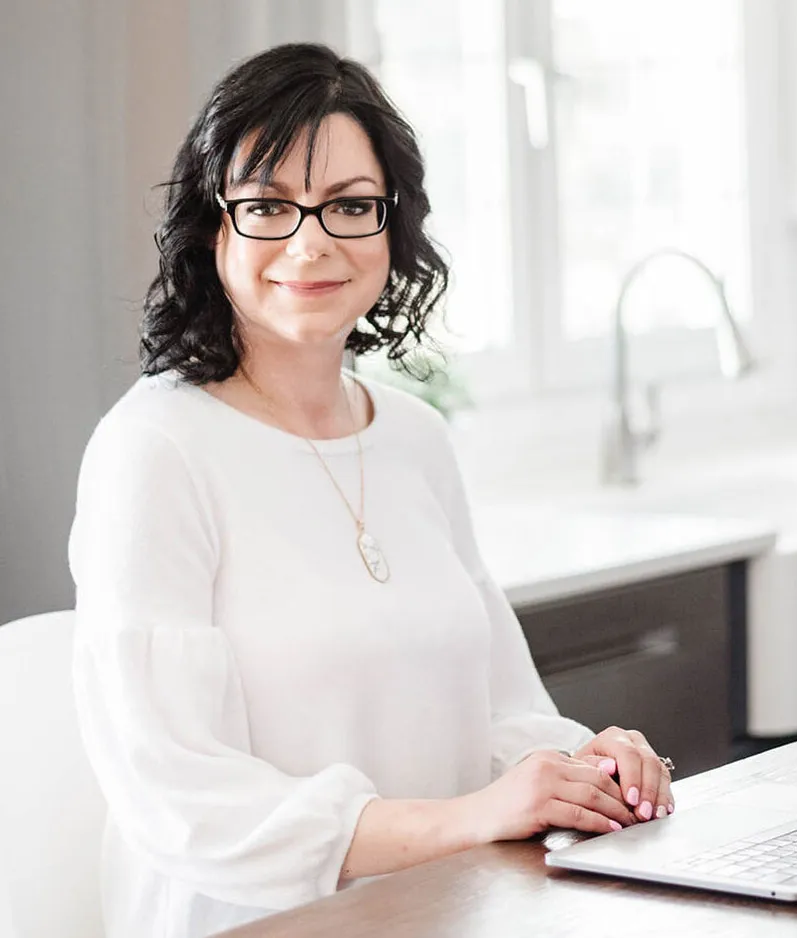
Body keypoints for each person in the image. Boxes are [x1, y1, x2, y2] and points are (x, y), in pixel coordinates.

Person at [69, 42, 675, 938]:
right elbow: (181, 796)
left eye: (350, 205)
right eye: (269, 206)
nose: (310, 243)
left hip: (439, 911)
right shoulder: (153, 448)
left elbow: (502, 711)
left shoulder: (415, 439)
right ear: (212, 228)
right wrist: (469, 819)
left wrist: (584, 761)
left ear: (393, 228)